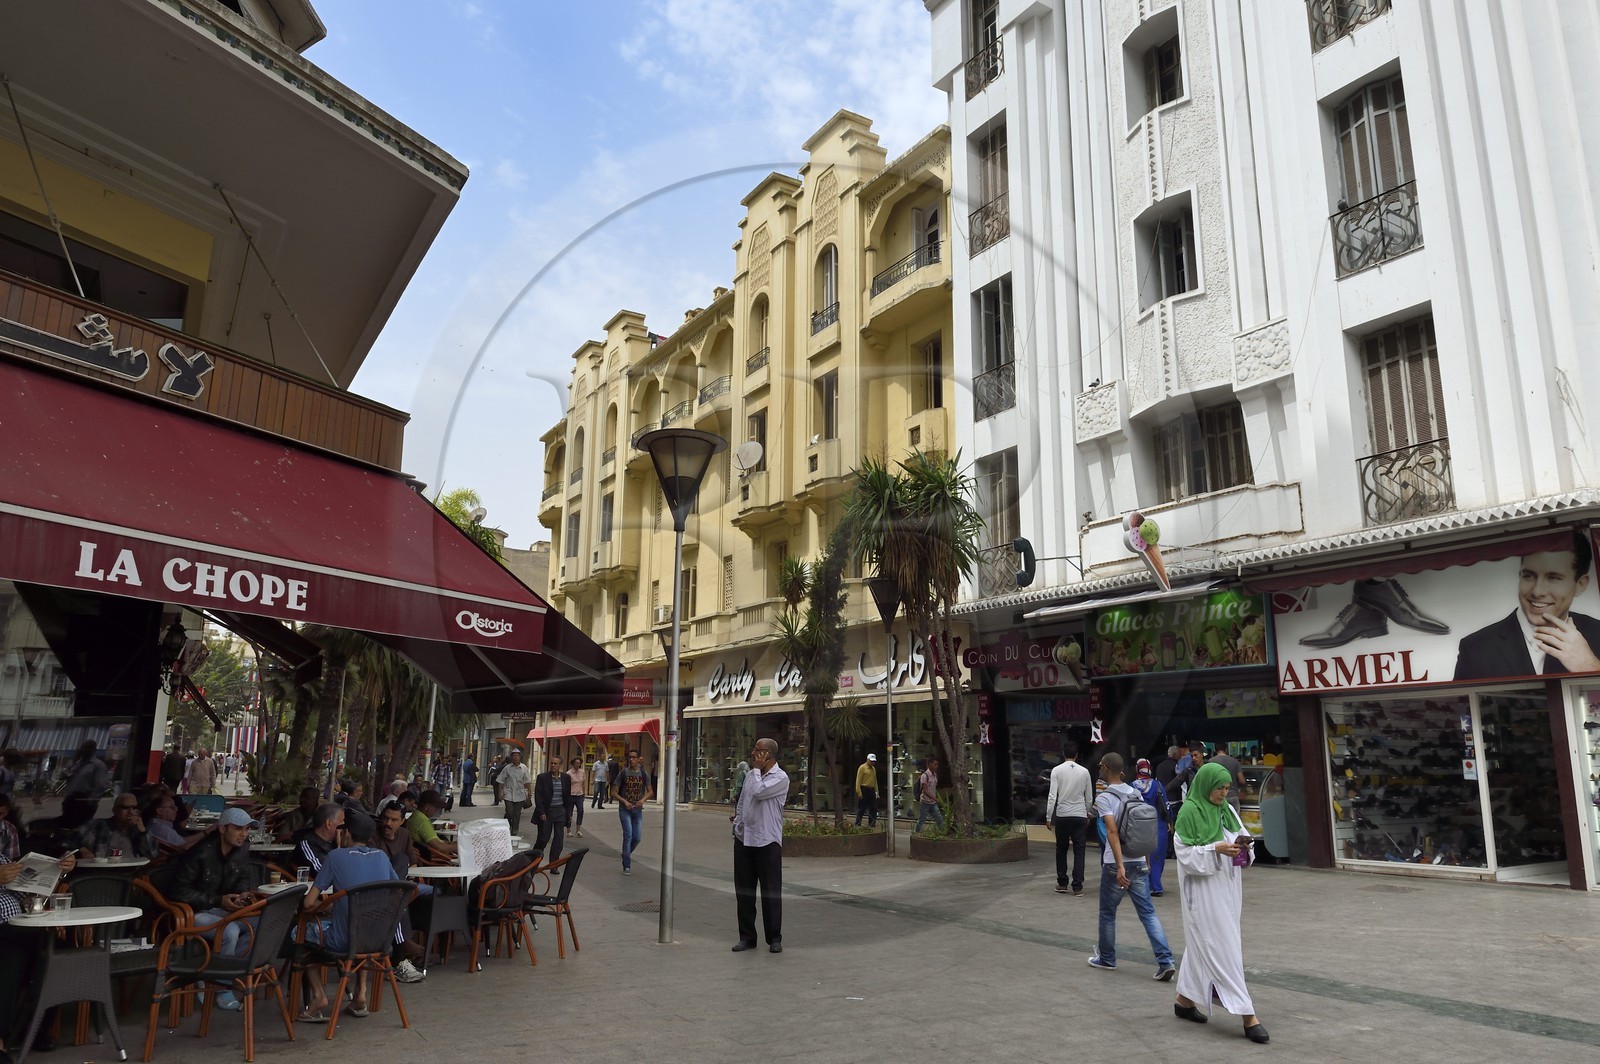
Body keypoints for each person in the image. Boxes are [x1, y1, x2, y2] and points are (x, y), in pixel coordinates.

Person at [1172, 762, 1270, 1043]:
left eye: (1227, 788)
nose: (1224, 794)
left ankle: (1185, 1000)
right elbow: (1185, 855)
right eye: (1219, 788)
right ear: (1205, 785)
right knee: (1222, 945)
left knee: (1204, 943)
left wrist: (1242, 847)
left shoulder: (1226, 809)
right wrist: (1215, 849)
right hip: (1202, 894)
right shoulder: (1189, 812)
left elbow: (1239, 839)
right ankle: (1248, 1015)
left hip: (1227, 890)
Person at [297, 809, 416, 1021]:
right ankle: (360, 994)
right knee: (362, 925)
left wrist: (328, 906)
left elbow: (307, 903)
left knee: (299, 932)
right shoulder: (381, 856)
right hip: (378, 940)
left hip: (344, 941)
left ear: (347, 833)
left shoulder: (335, 857)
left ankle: (318, 996)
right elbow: (394, 892)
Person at [1455, 533, 1600, 680]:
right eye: (1529, 576)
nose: (1537, 591)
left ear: (1580, 585)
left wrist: (1590, 667)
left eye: (1553, 578)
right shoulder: (1475, 649)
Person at [1, 791, 77, 1060]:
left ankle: (33, 1027)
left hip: (19, 922)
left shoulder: (4, 855)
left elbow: (25, 889)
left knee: (60, 954)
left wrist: (60, 869)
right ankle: (6, 1037)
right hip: (6, 928)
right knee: (12, 955)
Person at [1087, 753, 1176, 980]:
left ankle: (1107, 958)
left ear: (1106, 769)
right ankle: (1165, 961)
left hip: (1116, 864)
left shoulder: (1104, 798)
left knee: (1107, 913)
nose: (1099, 770)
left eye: (1100, 767)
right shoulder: (1135, 792)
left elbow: (1112, 831)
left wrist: (1119, 867)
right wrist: (1145, 862)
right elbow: (1143, 829)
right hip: (1138, 860)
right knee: (1147, 912)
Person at [170, 807, 263, 1009]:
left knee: (263, 922)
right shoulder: (200, 852)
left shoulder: (242, 849)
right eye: (238, 828)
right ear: (222, 829)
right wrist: (217, 900)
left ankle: (217, 970)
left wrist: (242, 894)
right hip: (195, 912)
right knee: (229, 931)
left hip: (223, 908)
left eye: (247, 829)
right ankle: (222, 988)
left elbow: (243, 878)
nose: (243, 834)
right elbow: (178, 891)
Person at [730, 738, 789, 954]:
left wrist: (754, 771)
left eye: (759, 750)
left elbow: (759, 792)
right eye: (754, 750)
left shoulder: (780, 778)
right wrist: (738, 822)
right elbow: (745, 800)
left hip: (768, 841)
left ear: (769, 755)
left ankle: (774, 937)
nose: (754, 754)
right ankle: (747, 937)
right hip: (745, 839)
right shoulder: (750, 776)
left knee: (770, 891)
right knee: (744, 892)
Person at [1043, 739, 1095, 896]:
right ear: (1077, 755)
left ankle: (1062, 882)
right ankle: (1077, 886)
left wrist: (1048, 817)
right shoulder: (1084, 772)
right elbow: (1089, 797)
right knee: (1080, 851)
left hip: (1063, 815)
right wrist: (1087, 813)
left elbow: (1052, 795)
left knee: (1061, 849)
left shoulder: (1056, 771)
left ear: (1063, 754)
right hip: (1079, 815)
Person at [1130, 758, 1172, 896]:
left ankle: (1141, 885)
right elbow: (1166, 805)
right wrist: (1169, 821)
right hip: (1157, 824)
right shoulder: (1158, 785)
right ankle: (1156, 886)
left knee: (1140, 856)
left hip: (1138, 825)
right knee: (1157, 856)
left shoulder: (1132, 786)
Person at [74, 792, 158, 859]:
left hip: (132, 874)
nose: (131, 812)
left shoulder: (140, 830)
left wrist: (143, 831)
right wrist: (82, 849)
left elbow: (152, 855)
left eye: (134, 807)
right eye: (125, 807)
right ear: (115, 810)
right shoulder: (96, 825)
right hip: (100, 873)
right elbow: (69, 840)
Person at [611, 748, 652, 875]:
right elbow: (613, 792)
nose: (632, 759)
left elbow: (650, 791)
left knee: (637, 837)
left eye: (634, 757)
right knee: (628, 835)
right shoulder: (623, 773)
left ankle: (626, 854)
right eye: (630, 757)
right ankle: (627, 865)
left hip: (638, 810)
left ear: (639, 758)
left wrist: (643, 800)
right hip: (625, 809)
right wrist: (625, 801)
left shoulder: (643, 773)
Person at [60, 739, 108, 828]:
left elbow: (100, 785)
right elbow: (62, 776)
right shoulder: (75, 763)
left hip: (84, 802)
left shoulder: (98, 765)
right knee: (66, 826)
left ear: (94, 750)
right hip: (70, 800)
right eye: (84, 747)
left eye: (89, 747)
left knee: (80, 828)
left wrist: (90, 802)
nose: (86, 750)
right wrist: (74, 760)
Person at [533, 756, 569, 865]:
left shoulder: (566, 778)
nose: (553, 765)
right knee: (543, 839)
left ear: (560, 765)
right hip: (547, 812)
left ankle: (554, 865)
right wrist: (542, 812)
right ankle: (533, 862)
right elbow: (538, 797)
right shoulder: (543, 777)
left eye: (555, 764)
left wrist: (569, 814)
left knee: (558, 840)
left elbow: (568, 797)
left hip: (560, 812)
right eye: (551, 763)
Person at [407, 791, 457, 862]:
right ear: (427, 807)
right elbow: (439, 847)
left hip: (428, 855)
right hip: (435, 859)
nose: (436, 810)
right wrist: (455, 847)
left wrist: (449, 843)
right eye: (435, 807)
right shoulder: (422, 821)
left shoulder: (416, 816)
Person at [498, 750, 531, 833]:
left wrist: (529, 793)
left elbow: (527, 781)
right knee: (509, 812)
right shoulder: (507, 768)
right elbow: (500, 781)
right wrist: (499, 794)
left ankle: (514, 830)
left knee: (517, 814)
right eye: (514, 755)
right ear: (511, 757)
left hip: (520, 794)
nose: (515, 757)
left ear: (520, 757)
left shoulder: (524, 768)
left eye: (517, 755)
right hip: (508, 793)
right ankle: (506, 825)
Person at [913, 758, 944, 834]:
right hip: (925, 802)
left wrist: (934, 798)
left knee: (939, 819)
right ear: (929, 764)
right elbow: (925, 790)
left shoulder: (935, 775)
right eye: (935, 764)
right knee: (922, 820)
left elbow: (933, 788)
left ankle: (942, 832)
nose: (936, 766)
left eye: (937, 765)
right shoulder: (925, 776)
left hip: (932, 803)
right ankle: (916, 833)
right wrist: (935, 798)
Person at [854, 753, 879, 827]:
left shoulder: (873, 769)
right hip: (864, 789)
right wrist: (859, 792)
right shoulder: (862, 767)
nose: (873, 763)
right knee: (861, 808)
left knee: (873, 808)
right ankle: (858, 824)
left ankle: (872, 824)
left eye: (874, 761)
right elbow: (858, 781)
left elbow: (875, 781)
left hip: (871, 790)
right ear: (867, 760)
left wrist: (877, 791)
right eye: (871, 761)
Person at [565, 757, 586, 839]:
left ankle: (578, 830)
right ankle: (569, 830)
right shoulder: (569, 773)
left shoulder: (582, 772)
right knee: (569, 813)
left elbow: (583, 783)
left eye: (579, 763)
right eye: (576, 763)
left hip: (579, 794)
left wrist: (584, 793)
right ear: (573, 763)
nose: (578, 765)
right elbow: (566, 785)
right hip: (571, 795)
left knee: (580, 811)